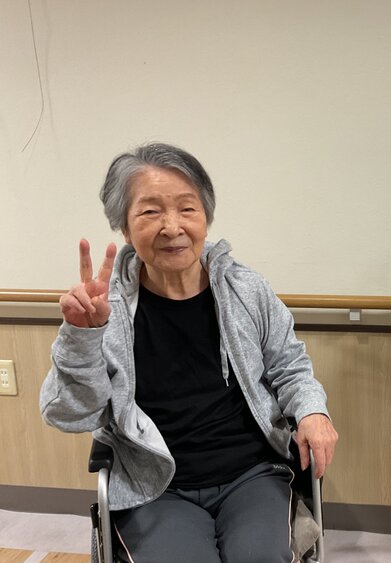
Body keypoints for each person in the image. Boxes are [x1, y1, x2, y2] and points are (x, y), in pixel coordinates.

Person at [39, 143, 338, 562]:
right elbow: (69, 414)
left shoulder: (246, 289)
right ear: (125, 228)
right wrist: (82, 338)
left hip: (251, 474)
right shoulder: (106, 309)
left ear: (205, 218)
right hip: (154, 485)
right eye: (150, 212)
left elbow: (290, 366)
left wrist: (312, 411)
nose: (172, 226)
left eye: (187, 209)